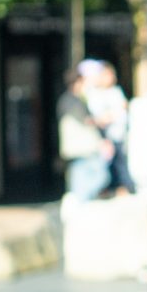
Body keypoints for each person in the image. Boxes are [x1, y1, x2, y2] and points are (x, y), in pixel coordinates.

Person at [57, 66, 112, 205]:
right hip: (81, 148)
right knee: (94, 179)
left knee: (86, 180)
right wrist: (102, 120)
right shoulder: (71, 101)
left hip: (83, 148)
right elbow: (85, 121)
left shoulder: (75, 99)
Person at [84, 59, 135, 196]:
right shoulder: (94, 93)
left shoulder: (116, 92)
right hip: (104, 136)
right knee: (106, 165)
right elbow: (98, 117)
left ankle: (123, 187)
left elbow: (123, 110)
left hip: (119, 134)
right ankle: (107, 189)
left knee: (120, 162)